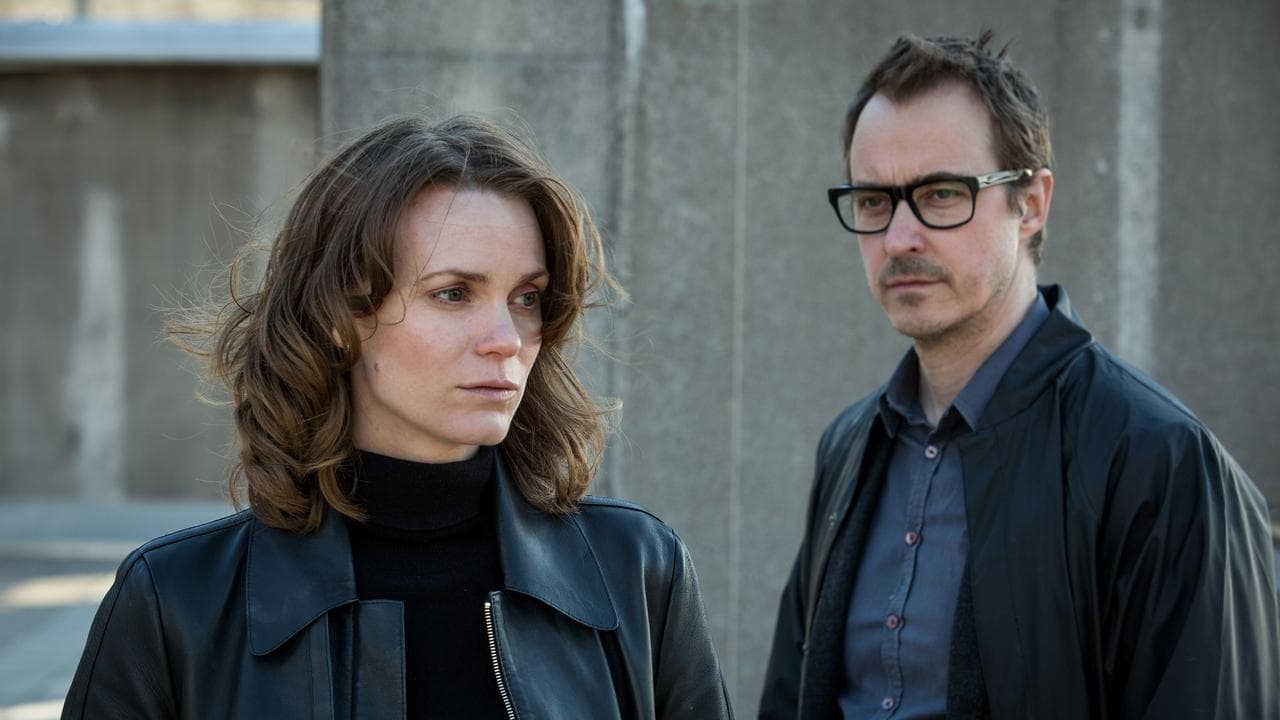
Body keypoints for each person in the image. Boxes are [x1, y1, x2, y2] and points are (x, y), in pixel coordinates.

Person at [62, 114, 732, 719]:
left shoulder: (637, 570)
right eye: (454, 293)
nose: (506, 338)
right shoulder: (175, 602)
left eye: (526, 297)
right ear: (337, 316)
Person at [758, 31, 1278, 719]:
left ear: (1031, 203)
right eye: (874, 201)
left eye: (942, 194)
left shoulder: (1164, 462)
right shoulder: (849, 447)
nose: (899, 238)